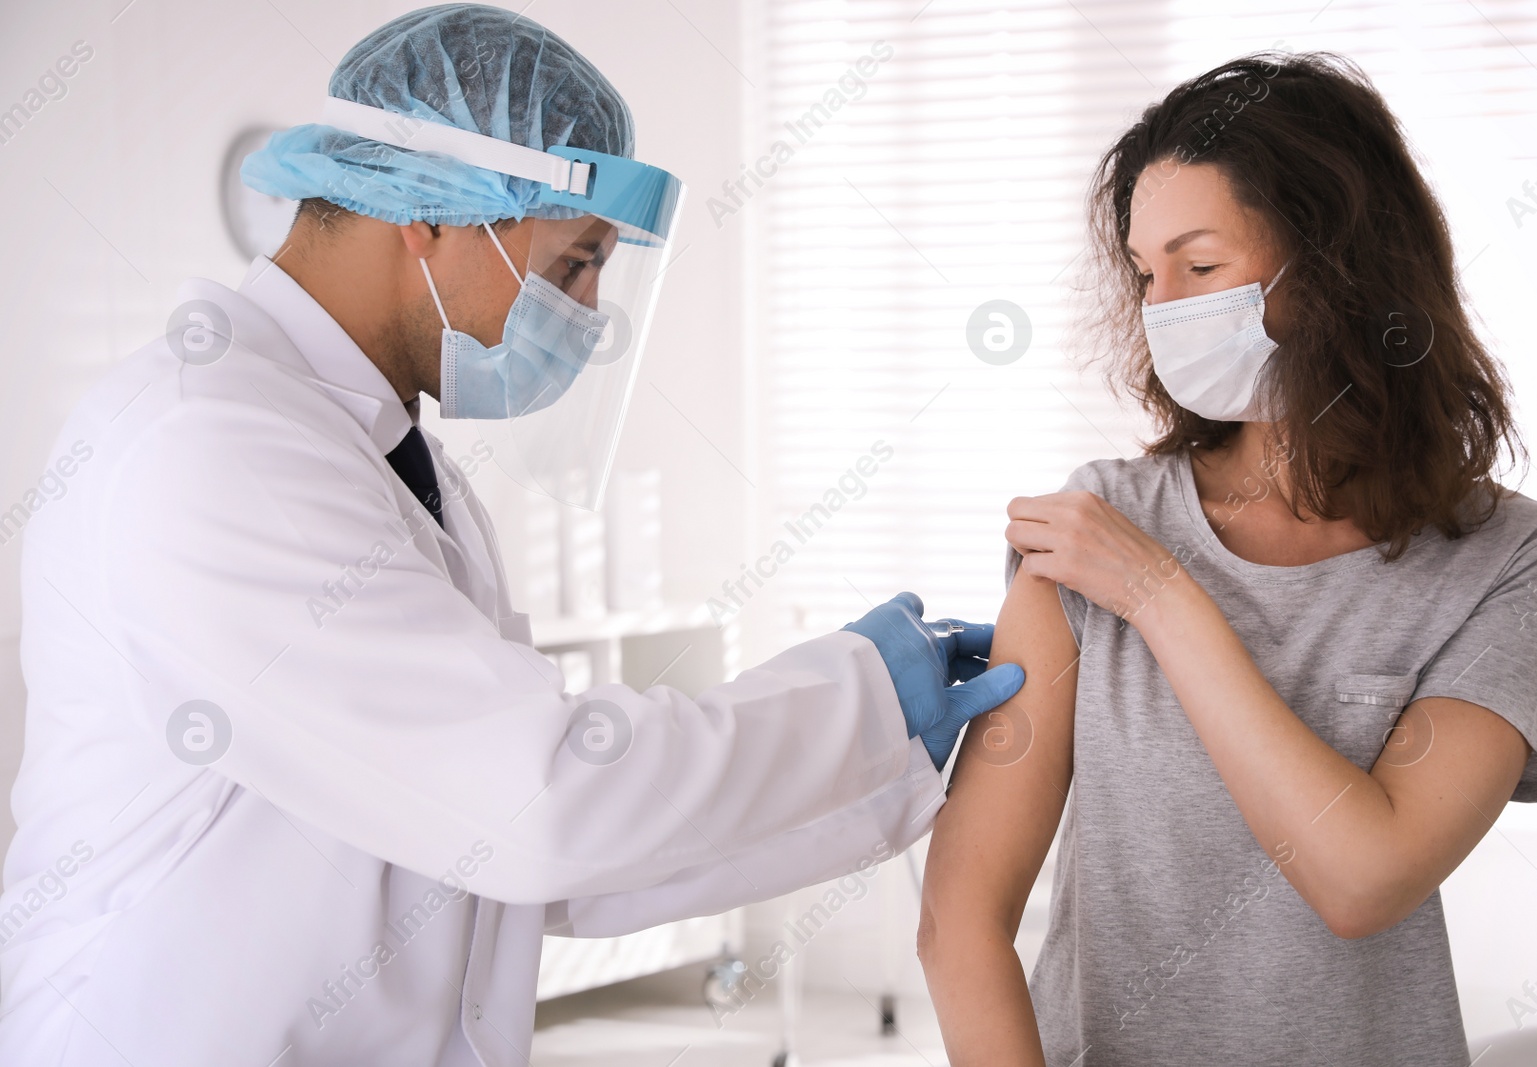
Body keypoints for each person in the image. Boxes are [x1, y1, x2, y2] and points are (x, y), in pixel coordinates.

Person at [0, 6, 1022, 1065]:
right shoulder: (209, 443)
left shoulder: (398, 462)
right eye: (574, 262)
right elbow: (538, 803)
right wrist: (853, 699)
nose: (586, 312)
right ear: (433, 210)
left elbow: (540, 856)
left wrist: (886, 747)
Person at [918, 51, 1537, 1067]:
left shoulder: (1521, 561)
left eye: (1200, 267)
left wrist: (1160, 593)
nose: (1164, 308)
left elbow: (1362, 876)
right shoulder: (1094, 521)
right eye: (1148, 275)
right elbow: (959, 918)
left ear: (1339, 265)